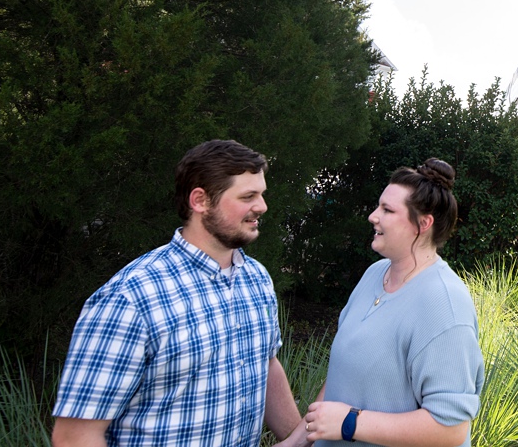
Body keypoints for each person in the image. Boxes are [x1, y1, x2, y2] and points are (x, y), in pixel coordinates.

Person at [51, 139, 302, 447]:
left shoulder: (256, 279)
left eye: (261, 194)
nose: (262, 206)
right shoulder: (131, 296)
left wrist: (299, 439)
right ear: (200, 201)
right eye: (248, 196)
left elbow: (265, 363)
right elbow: (75, 436)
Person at [279, 158, 484, 447]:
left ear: (423, 224)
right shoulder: (376, 273)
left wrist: (351, 423)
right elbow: (342, 378)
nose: (373, 216)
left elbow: (449, 430)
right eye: (379, 206)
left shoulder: (444, 304)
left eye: (387, 210)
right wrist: (296, 441)